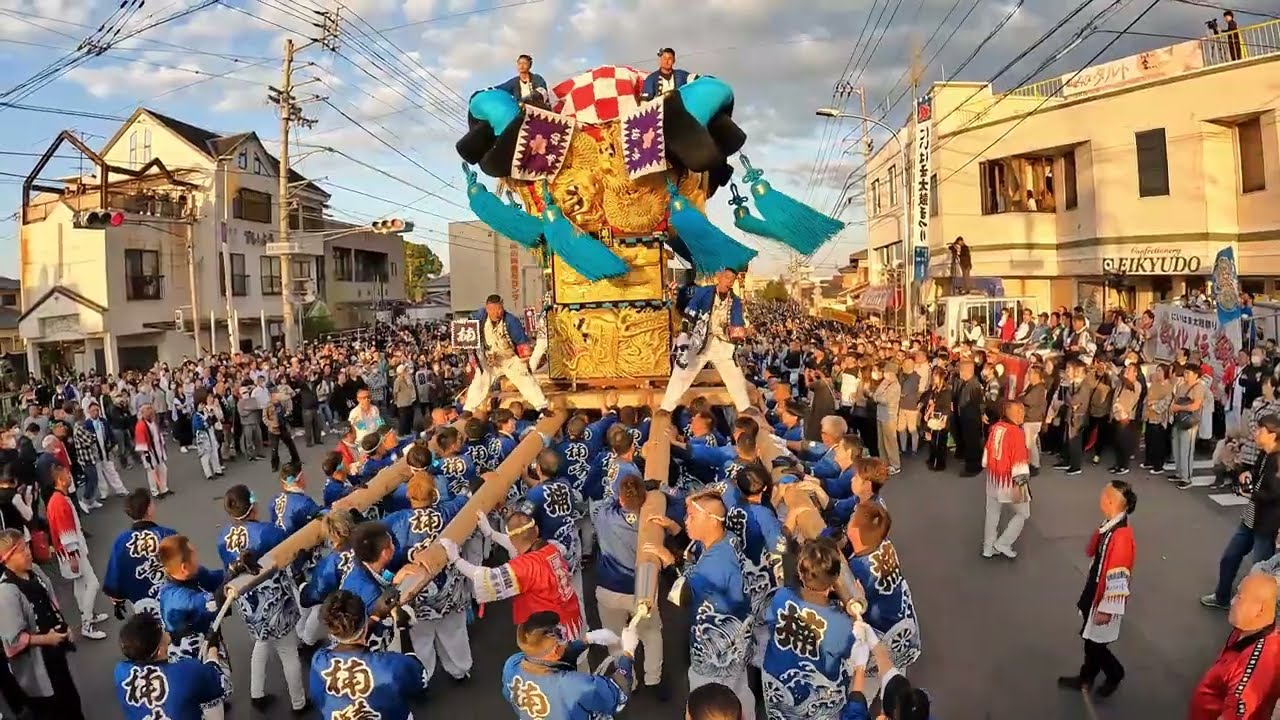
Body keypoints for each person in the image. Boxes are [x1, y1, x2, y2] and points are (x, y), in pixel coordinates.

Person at [643, 491, 755, 719]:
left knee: (709, 705)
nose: (686, 521)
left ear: (712, 519)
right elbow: (695, 556)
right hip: (736, 642)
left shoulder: (717, 563)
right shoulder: (727, 539)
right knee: (739, 691)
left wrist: (668, 563)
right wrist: (675, 530)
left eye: (692, 516)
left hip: (716, 653)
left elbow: (680, 596)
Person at [216, 484, 307, 711]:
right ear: (253, 506)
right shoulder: (268, 531)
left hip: (247, 601)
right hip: (275, 600)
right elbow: (289, 552)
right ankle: (299, 703)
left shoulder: (222, 536)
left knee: (261, 642)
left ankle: (256, 693)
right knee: (288, 651)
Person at [384, 471, 472, 684]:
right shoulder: (447, 512)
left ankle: (423, 677)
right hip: (449, 588)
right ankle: (460, 669)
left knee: (420, 638)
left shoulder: (395, 521)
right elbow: (466, 496)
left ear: (408, 495)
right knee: (454, 630)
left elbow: (384, 548)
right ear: (434, 494)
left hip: (415, 589)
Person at [440, 510, 584, 641]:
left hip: (552, 631)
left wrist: (456, 559)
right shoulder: (551, 547)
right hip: (570, 616)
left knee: (550, 664)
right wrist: (491, 533)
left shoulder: (526, 567)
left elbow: (487, 578)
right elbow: (520, 541)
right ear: (536, 530)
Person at [760, 538, 856, 720]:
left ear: (800, 572)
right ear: (835, 578)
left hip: (778, 689)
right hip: (817, 702)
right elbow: (849, 650)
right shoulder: (840, 622)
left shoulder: (781, 597)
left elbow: (770, 621)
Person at [1058, 479, 1137, 698]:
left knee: (1095, 644)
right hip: (1095, 591)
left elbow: (1118, 577)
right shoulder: (1113, 526)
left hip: (1102, 598)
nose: (1100, 496)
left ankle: (1114, 672)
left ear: (1110, 502)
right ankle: (1088, 676)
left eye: (1104, 494)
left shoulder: (1120, 537)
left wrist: (1106, 608)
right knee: (1091, 640)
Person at [593, 473, 667, 698]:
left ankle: (628, 680)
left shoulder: (604, 515)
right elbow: (677, 497)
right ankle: (654, 680)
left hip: (608, 588)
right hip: (642, 586)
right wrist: (658, 487)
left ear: (621, 497)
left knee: (615, 638)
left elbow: (604, 499)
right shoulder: (652, 520)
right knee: (651, 633)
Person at [0, 529, 86, 719]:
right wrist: (47, 639)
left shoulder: (35, 571)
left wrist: (62, 625)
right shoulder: (6, 592)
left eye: (27, 547)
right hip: (37, 666)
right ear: (6, 558)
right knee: (52, 709)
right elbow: (13, 641)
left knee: (71, 701)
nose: (29, 552)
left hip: (55, 653)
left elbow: (50, 599)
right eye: (22, 550)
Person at [308, 589, 427, 719]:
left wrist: (375, 616)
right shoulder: (390, 667)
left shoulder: (318, 661)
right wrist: (402, 627)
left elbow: (351, 641)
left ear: (331, 632)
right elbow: (420, 676)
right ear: (364, 625)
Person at [1202, 414, 1280, 609]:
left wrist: (1250, 493)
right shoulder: (1264, 454)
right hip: (1250, 518)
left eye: (1261, 430)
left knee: (1260, 572)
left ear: (1273, 435)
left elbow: (1273, 493)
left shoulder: (1277, 461)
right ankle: (1222, 597)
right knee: (1230, 557)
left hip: (1267, 523)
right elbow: (1255, 474)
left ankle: (1259, 612)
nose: (1256, 433)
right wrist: (1247, 475)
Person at [501, 610, 639, 719]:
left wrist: (586, 640)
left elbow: (551, 658)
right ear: (555, 650)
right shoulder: (572, 685)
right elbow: (617, 693)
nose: (565, 638)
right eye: (560, 634)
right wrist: (628, 653)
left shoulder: (512, 664)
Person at [1189, 572, 1280, 718]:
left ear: (1260, 609)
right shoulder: (1244, 630)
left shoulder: (1254, 666)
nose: (1232, 601)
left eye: (1239, 597)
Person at [662, 268, 753, 414]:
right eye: (727, 278)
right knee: (682, 373)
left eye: (732, 279)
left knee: (735, 376)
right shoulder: (704, 292)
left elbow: (737, 324)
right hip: (700, 341)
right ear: (719, 277)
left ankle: (745, 407)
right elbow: (691, 310)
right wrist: (685, 334)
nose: (729, 282)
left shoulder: (735, 301)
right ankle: (666, 408)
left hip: (721, 344)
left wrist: (741, 331)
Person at [114, 612, 225, 720]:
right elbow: (216, 678)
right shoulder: (187, 672)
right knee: (213, 701)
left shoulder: (120, 672)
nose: (165, 630)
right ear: (159, 651)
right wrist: (213, 647)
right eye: (161, 629)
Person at [46, 462, 108, 640]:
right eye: (67, 474)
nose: (70, 477)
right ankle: (87, 623)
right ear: (60, 479)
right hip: (72, 552)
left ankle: (88, 615)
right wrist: (73, 555)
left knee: (80, 585)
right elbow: (65, 531)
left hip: (70, 551)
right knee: (92, 583)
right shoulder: (59, 502)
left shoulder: (57, 500)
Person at [464, 295, 549, 414]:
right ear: (487, 308)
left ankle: (542, 406)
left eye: (499, 309)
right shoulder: (479, 318)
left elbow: (521, 342)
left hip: (509, 358)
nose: (496, 313)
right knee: (480, 381)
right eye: (493, 310)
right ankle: (468, 409)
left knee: (525, 379)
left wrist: (525, 362)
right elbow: (467, 331)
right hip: (490, 359)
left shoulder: (511, 321)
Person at [103, 489, 178, 619]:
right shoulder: (167, 534)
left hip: (142, 605)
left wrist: (118, 600)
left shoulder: (121, 541)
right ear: (148, 509)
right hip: (174, 601)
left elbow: (115, 578)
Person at [982, 400, 1032, 559]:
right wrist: (1022, 485)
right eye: (1019, 411)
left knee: (992, 512)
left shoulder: (996, 427)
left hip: (993, 477)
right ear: (1008, 412)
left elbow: (986, 455)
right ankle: (1003, 542)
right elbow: (1019, 461)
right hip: (1010, 480)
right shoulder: (1016, 432)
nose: (1022, 414)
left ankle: (988, 547)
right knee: (1023, 513)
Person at [134, 403, 172, 498]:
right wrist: (146, 454)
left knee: (162, 469)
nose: (150, 411)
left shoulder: (153, 422)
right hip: (149, 452)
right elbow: (141, 442)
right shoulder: (141, 425)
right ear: (143, 412)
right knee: (152, 472)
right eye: (147, 409)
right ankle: (155, 491)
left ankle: (164, 488)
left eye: (150, 408)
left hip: (158, 449)